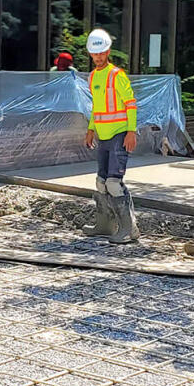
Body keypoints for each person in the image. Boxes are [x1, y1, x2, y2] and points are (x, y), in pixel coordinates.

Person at [82, 28, 139, 244]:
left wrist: (131, 132)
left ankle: (129, 228)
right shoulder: (93, 76)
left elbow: (131, 104)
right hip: (103, 136)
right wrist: (90, 129)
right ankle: (105, 225)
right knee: (101, 182)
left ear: (107, 51)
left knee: (114, 183)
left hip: (119, 135)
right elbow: (96, 107)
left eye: (101, 53)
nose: (97, 57)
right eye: (94, 54)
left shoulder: (117, 75)